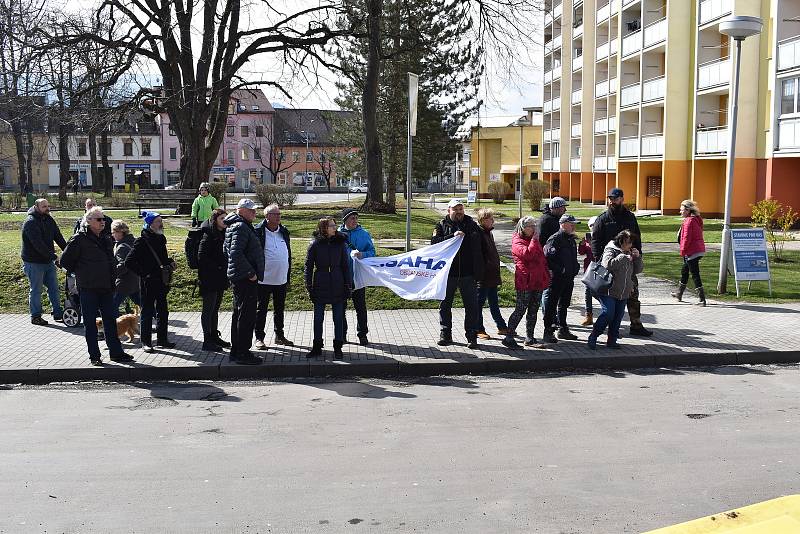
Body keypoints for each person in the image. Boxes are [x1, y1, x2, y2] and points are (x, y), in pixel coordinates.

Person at [60, 206, 133, 365]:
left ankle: (116, 353)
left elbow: (112, 261)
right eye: (99, 219)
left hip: (106, 287)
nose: (103, 222)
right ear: (89, 221)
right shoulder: (78, 239)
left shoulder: (106, 238)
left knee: (110, 322)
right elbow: (65, 261)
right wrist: (81, 272)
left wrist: (113, 275)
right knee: (90, 325)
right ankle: (95, 356)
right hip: (88, 289)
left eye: (104, 219)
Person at [590, 187, 652, 337]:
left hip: (628, 263)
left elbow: (637, 237)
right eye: (610, 199)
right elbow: (595, 241)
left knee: (633, 294)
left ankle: (636, 324)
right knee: (613, 298)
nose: (613, 201)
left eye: (616, 198)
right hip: (611, 264)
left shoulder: (630, 217)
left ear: (622, 199)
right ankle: (613, 329)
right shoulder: (603, 219)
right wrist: (599, 260)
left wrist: (638, 254)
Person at [431, 199, 484, 349]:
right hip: (448, 274)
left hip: (468, 274)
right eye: (455, 209)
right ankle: (445, 333)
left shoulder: (472, 225)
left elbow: (481, 246)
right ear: (449, 210)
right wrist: (452, 237)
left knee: (472, 306)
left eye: (461, 209)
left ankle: (472, 335)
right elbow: (434, 243)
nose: (459, 212)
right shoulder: (441, 225)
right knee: (445, 304)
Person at [124, 211, 176, 353]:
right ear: (150, 224)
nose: (161, 224)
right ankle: (146, 342)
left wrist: (170, 263)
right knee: (147, 312)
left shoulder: (160, 238)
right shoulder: (142, 241)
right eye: (158, 221)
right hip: (148, 283)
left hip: (161, 281)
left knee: (163, 311)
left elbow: (162, 258)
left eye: (161, 221)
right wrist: (144, 274)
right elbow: (129, 262)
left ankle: (162, 339)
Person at [223, 199, 264, 365]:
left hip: (241, 277)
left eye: (254, 210)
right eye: (250, 210)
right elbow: (235, 254)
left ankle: (237, 350)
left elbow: (228, 251)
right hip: (245, 278)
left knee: (239, 314)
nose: (254, 212)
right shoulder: (240, 226)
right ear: (240, 210)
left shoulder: (240, 225)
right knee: (246, 316)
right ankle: (242, 353)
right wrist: (250, 273)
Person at [588, 230, 643, 350]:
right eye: (628, 242)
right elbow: (607, 264)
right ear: (621, 241)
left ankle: (612, 340)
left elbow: (637, 270)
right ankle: (594, 336)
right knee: (608, 314)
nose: (630, 245)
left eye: (631, 242)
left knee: (618, 317)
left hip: (623, 292)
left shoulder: (629, 252)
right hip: (609, 290)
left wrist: (637, 257)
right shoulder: (611, 250)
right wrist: (623, 257)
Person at [304, 217, 351, 360]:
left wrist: (348, 284)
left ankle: (338, 347)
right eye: (331, 225)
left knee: (338, 318)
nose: (334, 227)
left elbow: (345, 265)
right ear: (324, 228)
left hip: (337, 282)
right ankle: (317, 347)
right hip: (321, 282)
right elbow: (308, 266)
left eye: (334, 225)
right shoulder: (315, 244)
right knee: (318, 318)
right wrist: (309, 286)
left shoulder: (340, 243)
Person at [502, 216, 551, 349]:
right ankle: (509, 337)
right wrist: (535, 240)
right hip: (525, 281)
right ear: (523, 228)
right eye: (530, 226)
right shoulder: (517, 241)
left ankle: (530, 338)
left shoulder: (532, 240)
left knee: (533, 310)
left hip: (537, 280)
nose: (534, 228)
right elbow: (528, 255)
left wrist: (545, 274)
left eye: (535, 225)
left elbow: (541, 258)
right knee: (520, 309)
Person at [21, 198, 67, 325]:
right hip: (33, 262)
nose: (47, 208)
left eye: (48, 206)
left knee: (54, 288)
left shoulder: (49, 219)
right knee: (36, 290)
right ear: (36, 207)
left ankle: (58, 313)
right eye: (44, 206)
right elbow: (38, 245)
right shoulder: (30, 222)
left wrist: (68, 252)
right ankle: (35, 316)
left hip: (48, 261)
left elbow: (58, 237)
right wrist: (53, 256)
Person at [254, 204, 294, 349]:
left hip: (281, 278)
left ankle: (280, 335)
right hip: (263, 279)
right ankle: (259, 337)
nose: (278, 216)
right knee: (261, 309)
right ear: (267, 216)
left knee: (279, 309)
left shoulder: (283, 231)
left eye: (279, 214)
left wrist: (288, 276)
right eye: (275, 214)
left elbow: (288, 254)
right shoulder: (258, 231)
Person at [338, 207, 376, 346]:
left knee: (360, 308)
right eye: (352, 218)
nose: (355, 220)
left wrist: (362, 254)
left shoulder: (364, 234)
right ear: (345, 220)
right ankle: (342, 335)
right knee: (341, 308)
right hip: (341, 277)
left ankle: (362, 334)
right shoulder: (338, 234)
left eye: (356, 218)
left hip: (358, 277)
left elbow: (372, 252)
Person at [542, 214, 581, 343]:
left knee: (564, 305)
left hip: (569, 278)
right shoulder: (555, 239)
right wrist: (561, 269)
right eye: (571, 224)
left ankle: (563, 329)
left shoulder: (570, 239)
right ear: (563, 224)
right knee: (552, 305)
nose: (573, 226)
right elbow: (547, 259)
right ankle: (548, 331)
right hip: (557, 279)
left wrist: (575, 267)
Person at [198, 208, 232, 352]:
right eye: (221, 218)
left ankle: (214, 336)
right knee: (208, 310)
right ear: (215, 220)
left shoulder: (223, 233)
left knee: (215, 309)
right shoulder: (208, 235)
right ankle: (207, 341)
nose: (224, 221)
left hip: (220, 278)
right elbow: (201, 257)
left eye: (226, 218)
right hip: (209, 279)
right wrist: (217, 267)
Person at [474, 208, 509, 340]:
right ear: (482, 220)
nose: (492, 220)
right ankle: (478, 329)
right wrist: (484, 268)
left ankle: (501, 326)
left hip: (492, 275)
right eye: (489, 218)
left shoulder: (489, 233)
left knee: (494, 302)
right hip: (483, 276)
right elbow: (478, 256)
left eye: (492, 218)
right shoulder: (478, 234)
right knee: (479, 304)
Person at [672, 199, 707, 306]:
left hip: (692, 251)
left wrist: (683, 251)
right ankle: (679, 293)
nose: (680, 212)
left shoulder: (689, 221)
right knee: (684, 271)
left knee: (695, 273)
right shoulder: (696, 219)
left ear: (687, 210)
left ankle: (702, 299)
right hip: (697, 250)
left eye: (681, 210)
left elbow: (686, 238)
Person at [110, 220, 142, 313]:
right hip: (135, 279)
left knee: (112, 305)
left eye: (113, 232)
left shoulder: (122, 247)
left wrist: (112, 272)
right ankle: (157, 316)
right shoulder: (134, 241)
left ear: (120, 232)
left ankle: (114, 326)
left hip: (124, 283)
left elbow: (124, 264)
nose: (112, 235)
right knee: (140, 302)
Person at [578, 216, 596, 326]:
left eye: (594, 225)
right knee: (587, 293)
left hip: (600, 269)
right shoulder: (587, 238)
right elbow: (581, 252)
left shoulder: (603, 238)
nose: (593, 228)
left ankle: (607, 314)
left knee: (601, 293)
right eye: (591, 226)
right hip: (588, 269)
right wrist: (582, 244)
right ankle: (589, 315)